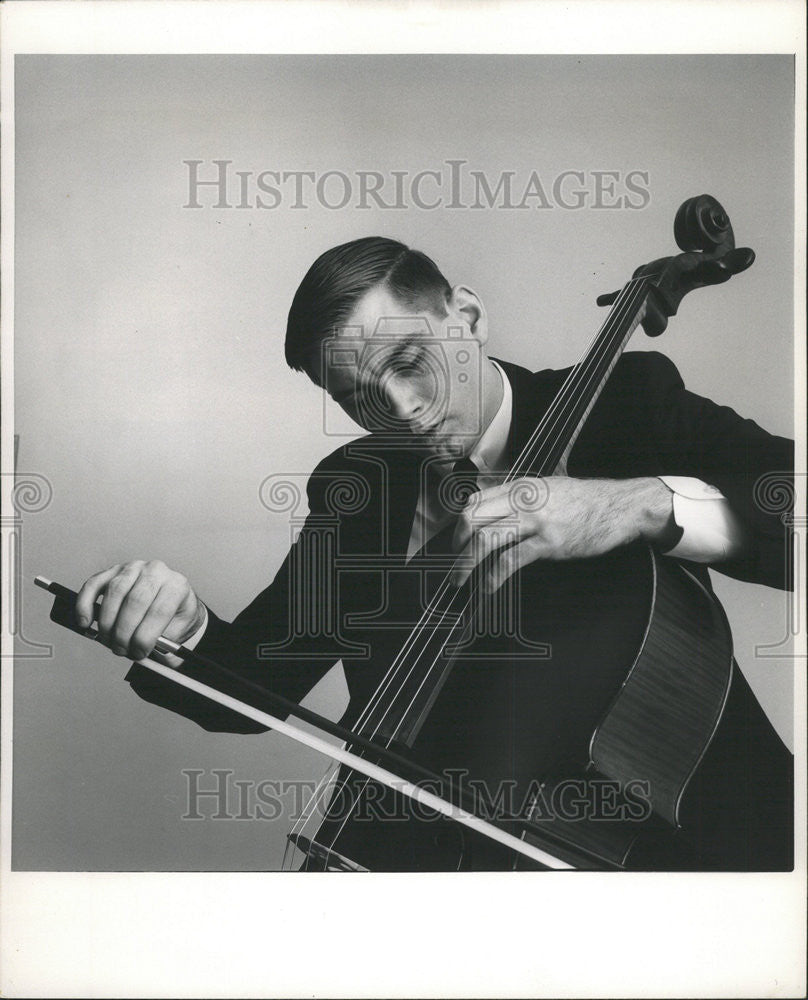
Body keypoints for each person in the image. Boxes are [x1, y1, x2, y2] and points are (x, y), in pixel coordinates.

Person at [74, 237, 794, 871]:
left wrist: (641, 503)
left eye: (411, 362)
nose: (402, 409)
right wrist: (182, 626)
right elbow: (254, 683)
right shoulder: (358, 487)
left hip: (691, 852)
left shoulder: (630, 406)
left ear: (468, 318)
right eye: (360, 397)